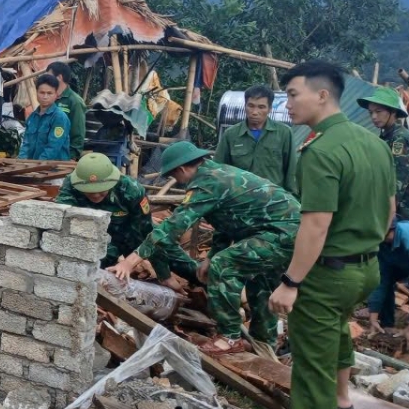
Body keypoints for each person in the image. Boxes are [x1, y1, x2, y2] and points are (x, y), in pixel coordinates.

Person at [269, 61, 395, 409]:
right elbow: (390, 209)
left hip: (328, 274)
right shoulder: (374, 142)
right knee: (337, 327)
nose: (287, 104)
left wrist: (291, 283)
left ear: (322, 95)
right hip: (367, 268)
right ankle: (343, 399)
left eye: (292, 94)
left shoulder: (321, 149)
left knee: (311, 368)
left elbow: (316, 226)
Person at [111, 141, 300, 359]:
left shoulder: (206, 184)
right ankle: (263, 345)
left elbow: (172, 228)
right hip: (285, 231)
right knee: (260, 282)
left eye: (174, 175)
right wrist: (210, 256)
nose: (178, 182)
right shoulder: (217, 173)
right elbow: (228, 222)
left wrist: (129, 262)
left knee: (224, 266)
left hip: (282, 233)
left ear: (181, 169)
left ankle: (229, 337)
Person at [55, 152, 198, 284]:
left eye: (101, 191)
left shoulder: (131, 189)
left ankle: (207, 283)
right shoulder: (72, 185)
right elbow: (64, 219)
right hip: (96, 235)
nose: (96, 195)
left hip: (131, 231)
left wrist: (164, 275)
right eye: (90, 192)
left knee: (174, 256)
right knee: (99, 269)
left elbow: (146, 232)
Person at [215, 84, 296, 192]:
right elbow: (218, 169)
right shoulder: (231, 134)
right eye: (251, 106)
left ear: (270, 109)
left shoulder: (284, 133)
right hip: (239, 200)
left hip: (273, 202)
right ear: (245, 106)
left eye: (261, 107)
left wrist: (292, 200)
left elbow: (291, 172)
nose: (254, 112)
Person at [359, 86, 409, 222]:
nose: (374, 117)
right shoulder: (386, 135)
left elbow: (398, 180)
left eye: (379, 111)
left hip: (401, 213)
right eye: (371, 113)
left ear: (393, 112)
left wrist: (385, 213)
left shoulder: (399, 138)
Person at [366, 220, 409, 350]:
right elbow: (381, 280)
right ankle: (386, 326)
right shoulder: (381, 242)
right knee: (383, 281)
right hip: (401, 257)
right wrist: (373, 317)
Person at [19, 73, 72, 161]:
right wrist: (21, 162)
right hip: (32, 169)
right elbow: (26, 144)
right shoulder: (32, 117)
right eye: (42, 92)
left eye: (49, 93)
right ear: (36, 92)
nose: (45, 96)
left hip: (54, 170)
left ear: (56, 94)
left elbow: (53, 147)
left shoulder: (59, 117)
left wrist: (37, 165)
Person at [48, 61, 86, 157]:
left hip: (64, 156)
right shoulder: (49, 98)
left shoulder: (75, 101)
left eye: (49, 76)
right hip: (47, 153)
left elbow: (78, 133)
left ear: (59, 78)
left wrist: (72, 156)